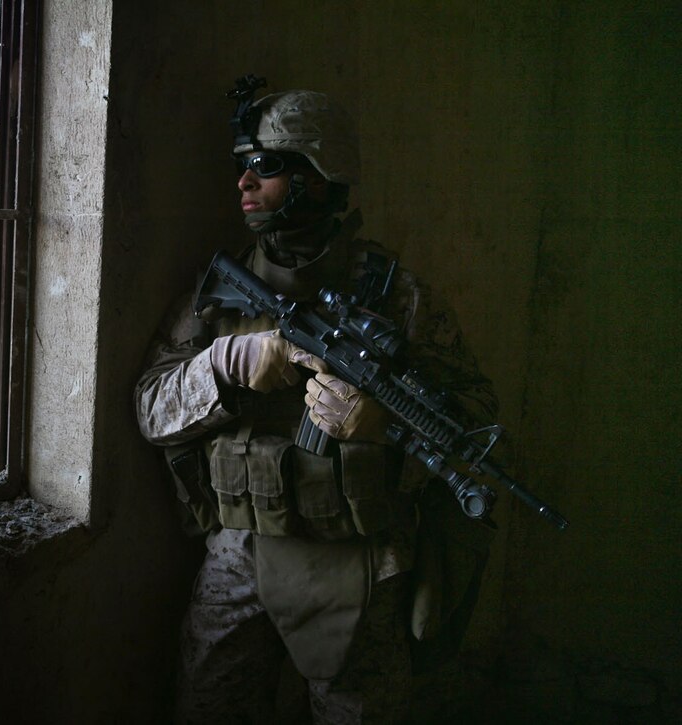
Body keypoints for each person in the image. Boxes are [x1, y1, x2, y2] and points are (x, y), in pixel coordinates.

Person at [133, 78, 498, 724]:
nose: (245, 183)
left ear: (320, 176)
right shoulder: (219, 293)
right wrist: (223, 365)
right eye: (242, 166)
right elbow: (150, 409)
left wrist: (380, 424)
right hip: (243, 545)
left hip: (360, 555)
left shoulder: (397, 298)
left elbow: (476, 423)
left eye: (267, 167)